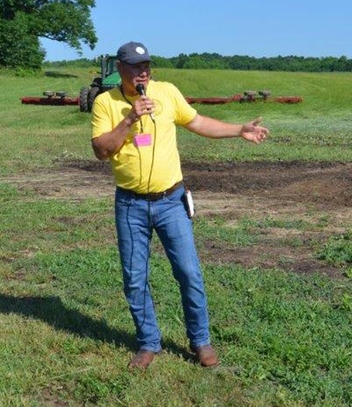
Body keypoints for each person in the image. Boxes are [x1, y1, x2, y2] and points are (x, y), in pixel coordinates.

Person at [90, 41, 269, 370]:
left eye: (146, 66)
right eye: (135, 66)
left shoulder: (168, 92)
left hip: (171, 201)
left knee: (188, 272)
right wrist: (130, 120)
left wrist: (238, 130)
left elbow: (198, 122)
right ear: (119, 68)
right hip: (130, 205)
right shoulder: (105, 102)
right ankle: (148, 344)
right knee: (134, 278)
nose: (143, 72)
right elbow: (102, 150)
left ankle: (200, 341)